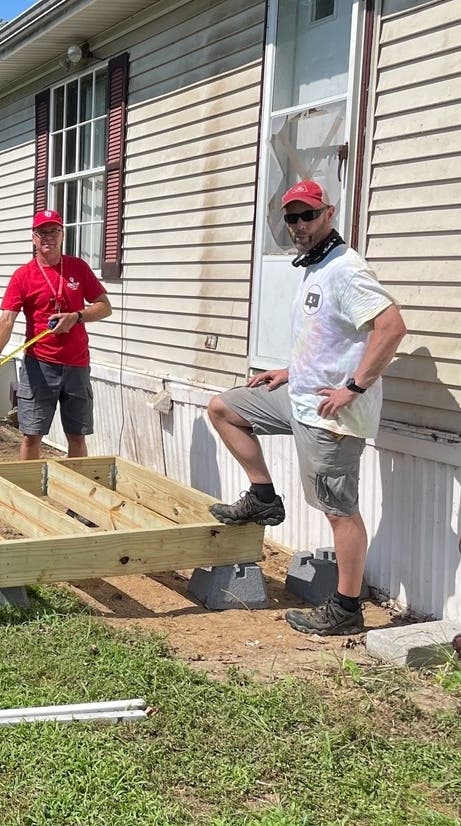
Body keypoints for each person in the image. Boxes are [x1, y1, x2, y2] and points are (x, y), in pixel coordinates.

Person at [207, 180, 407, 636]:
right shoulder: (313, 268)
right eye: (291, 218)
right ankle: (263, 498)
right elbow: (329, 343)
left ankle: (346, 607)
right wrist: (288, 372)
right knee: (224, 408)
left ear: (329, 214)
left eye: (307, 215)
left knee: (339, 511)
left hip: (331, 417)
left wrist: (352, 389)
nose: (298, 225)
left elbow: (391, 328)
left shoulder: (345, 269)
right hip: (299, 398)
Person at [0, 209, 112, 460]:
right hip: (39, 366)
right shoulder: (23, 275)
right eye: (42, 232)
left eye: (53, 231)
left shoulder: (78, 268)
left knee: (77, 435)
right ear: (33, 238)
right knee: (31, 435)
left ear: (62, 234)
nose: (48, 237)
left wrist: (76, 317)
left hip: (76, 364)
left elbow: (105, 306)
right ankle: (26, 492)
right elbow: (7, 318)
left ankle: (75, 491)